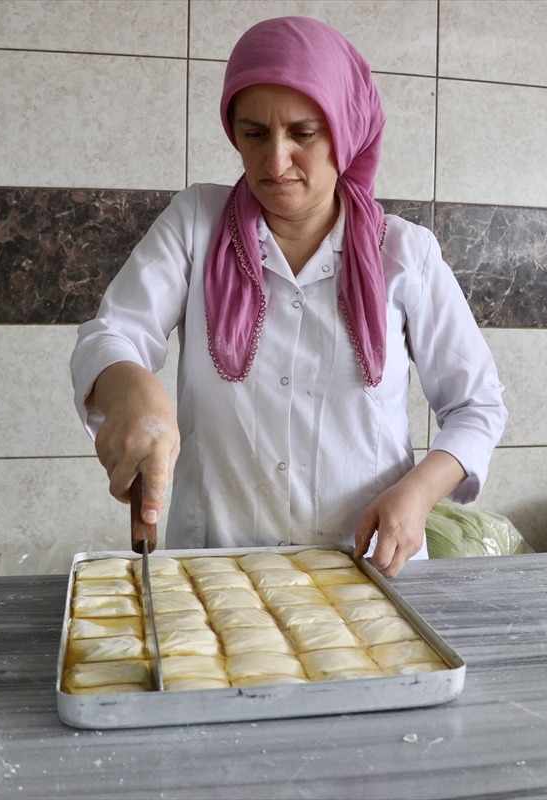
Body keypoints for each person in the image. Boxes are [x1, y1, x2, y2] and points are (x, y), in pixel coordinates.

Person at [71, 16, 505, 577]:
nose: (275, 163)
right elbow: (113, 334)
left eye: (303, 133)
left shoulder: (406, 252)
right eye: (253, 134)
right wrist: (134, 391)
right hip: (219, 569)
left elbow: (477, 405)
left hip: (368, 569)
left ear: (345, 131)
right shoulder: (197, 223)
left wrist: (418, 494)